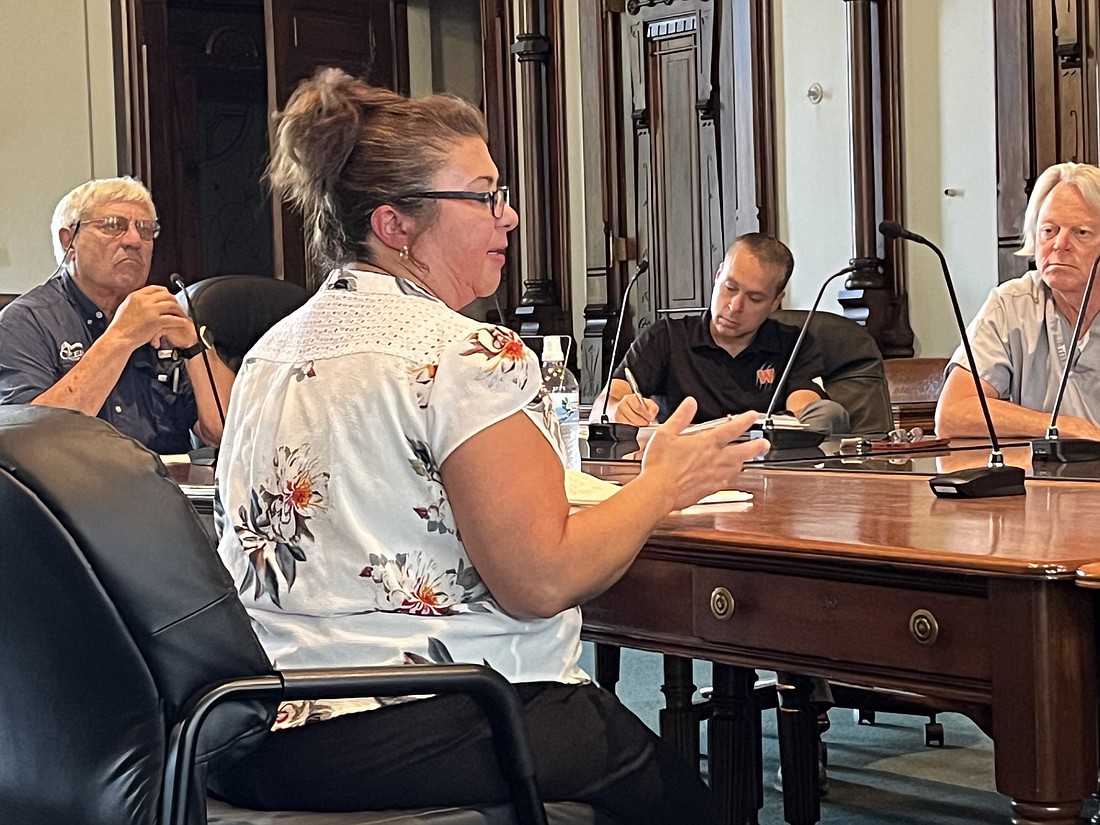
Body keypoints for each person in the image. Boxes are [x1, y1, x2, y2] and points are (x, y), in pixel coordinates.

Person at [207, 68, 768, 822]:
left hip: (251, 730)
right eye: (483, 195)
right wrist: (660, 485)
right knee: (675, 790)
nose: (508, 218)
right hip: (420, 721)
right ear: (394, 224)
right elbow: (539, 579)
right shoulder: (468, 352)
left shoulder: (269, 350)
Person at [0, 177, 233, 453]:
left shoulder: (164, 316)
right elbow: (30, 442)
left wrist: (196, 348)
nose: (135, 240)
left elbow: (226, 434)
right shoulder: (25, 323)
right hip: (73, 494)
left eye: (146, 230)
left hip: (169, 491)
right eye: (113, 226)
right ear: (69, 241)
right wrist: (122, 336)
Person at [589, 233, 850, 435]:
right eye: (730, 287)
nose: (735, 306)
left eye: (755, 298)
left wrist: (806, 419)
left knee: (829, 412)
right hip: (681, 471)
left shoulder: (794, 344)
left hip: (765, 468)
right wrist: (617, 410)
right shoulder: (666, 336)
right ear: (717, 275)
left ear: (775, 302)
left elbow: (806, 411)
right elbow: (605, 403)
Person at [936, 161, 1100, 439]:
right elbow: (953, 413)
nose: (1059, 244)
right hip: (1044, 479)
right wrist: (1062, 427)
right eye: (1048, 230)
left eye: (1080, 232)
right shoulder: (1012, 303)